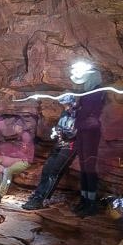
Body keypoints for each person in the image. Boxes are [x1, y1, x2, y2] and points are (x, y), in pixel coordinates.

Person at [68, 61, 107, 217]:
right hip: (84, 129)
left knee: (89, 167)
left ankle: (91, 202)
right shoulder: (88, 92)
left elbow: (87, 111)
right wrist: (79, 110)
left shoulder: (97, 91)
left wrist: (78, 110)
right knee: (84, 166)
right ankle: (84, 200)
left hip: (91, 131)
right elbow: (81, 110)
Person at [21, 102, 76, 210]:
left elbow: (72, 132)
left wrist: (60, 132)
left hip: (70, 146)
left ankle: (41, 199)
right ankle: (37, 195)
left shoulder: (75, 114)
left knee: (55, 172)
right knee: (46, 170)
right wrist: (55, 132)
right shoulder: (64, 113)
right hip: (59, 144)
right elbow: (60, 128)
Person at [0, 114, 35, 203]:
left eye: (15, 126)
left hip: (24, 161)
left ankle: (0, 195)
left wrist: (9, 157)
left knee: (7, 170)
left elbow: (23, 154)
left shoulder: (25, 136)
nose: (13, 128)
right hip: (14, 159)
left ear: (19, 127)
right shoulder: (18, 136)